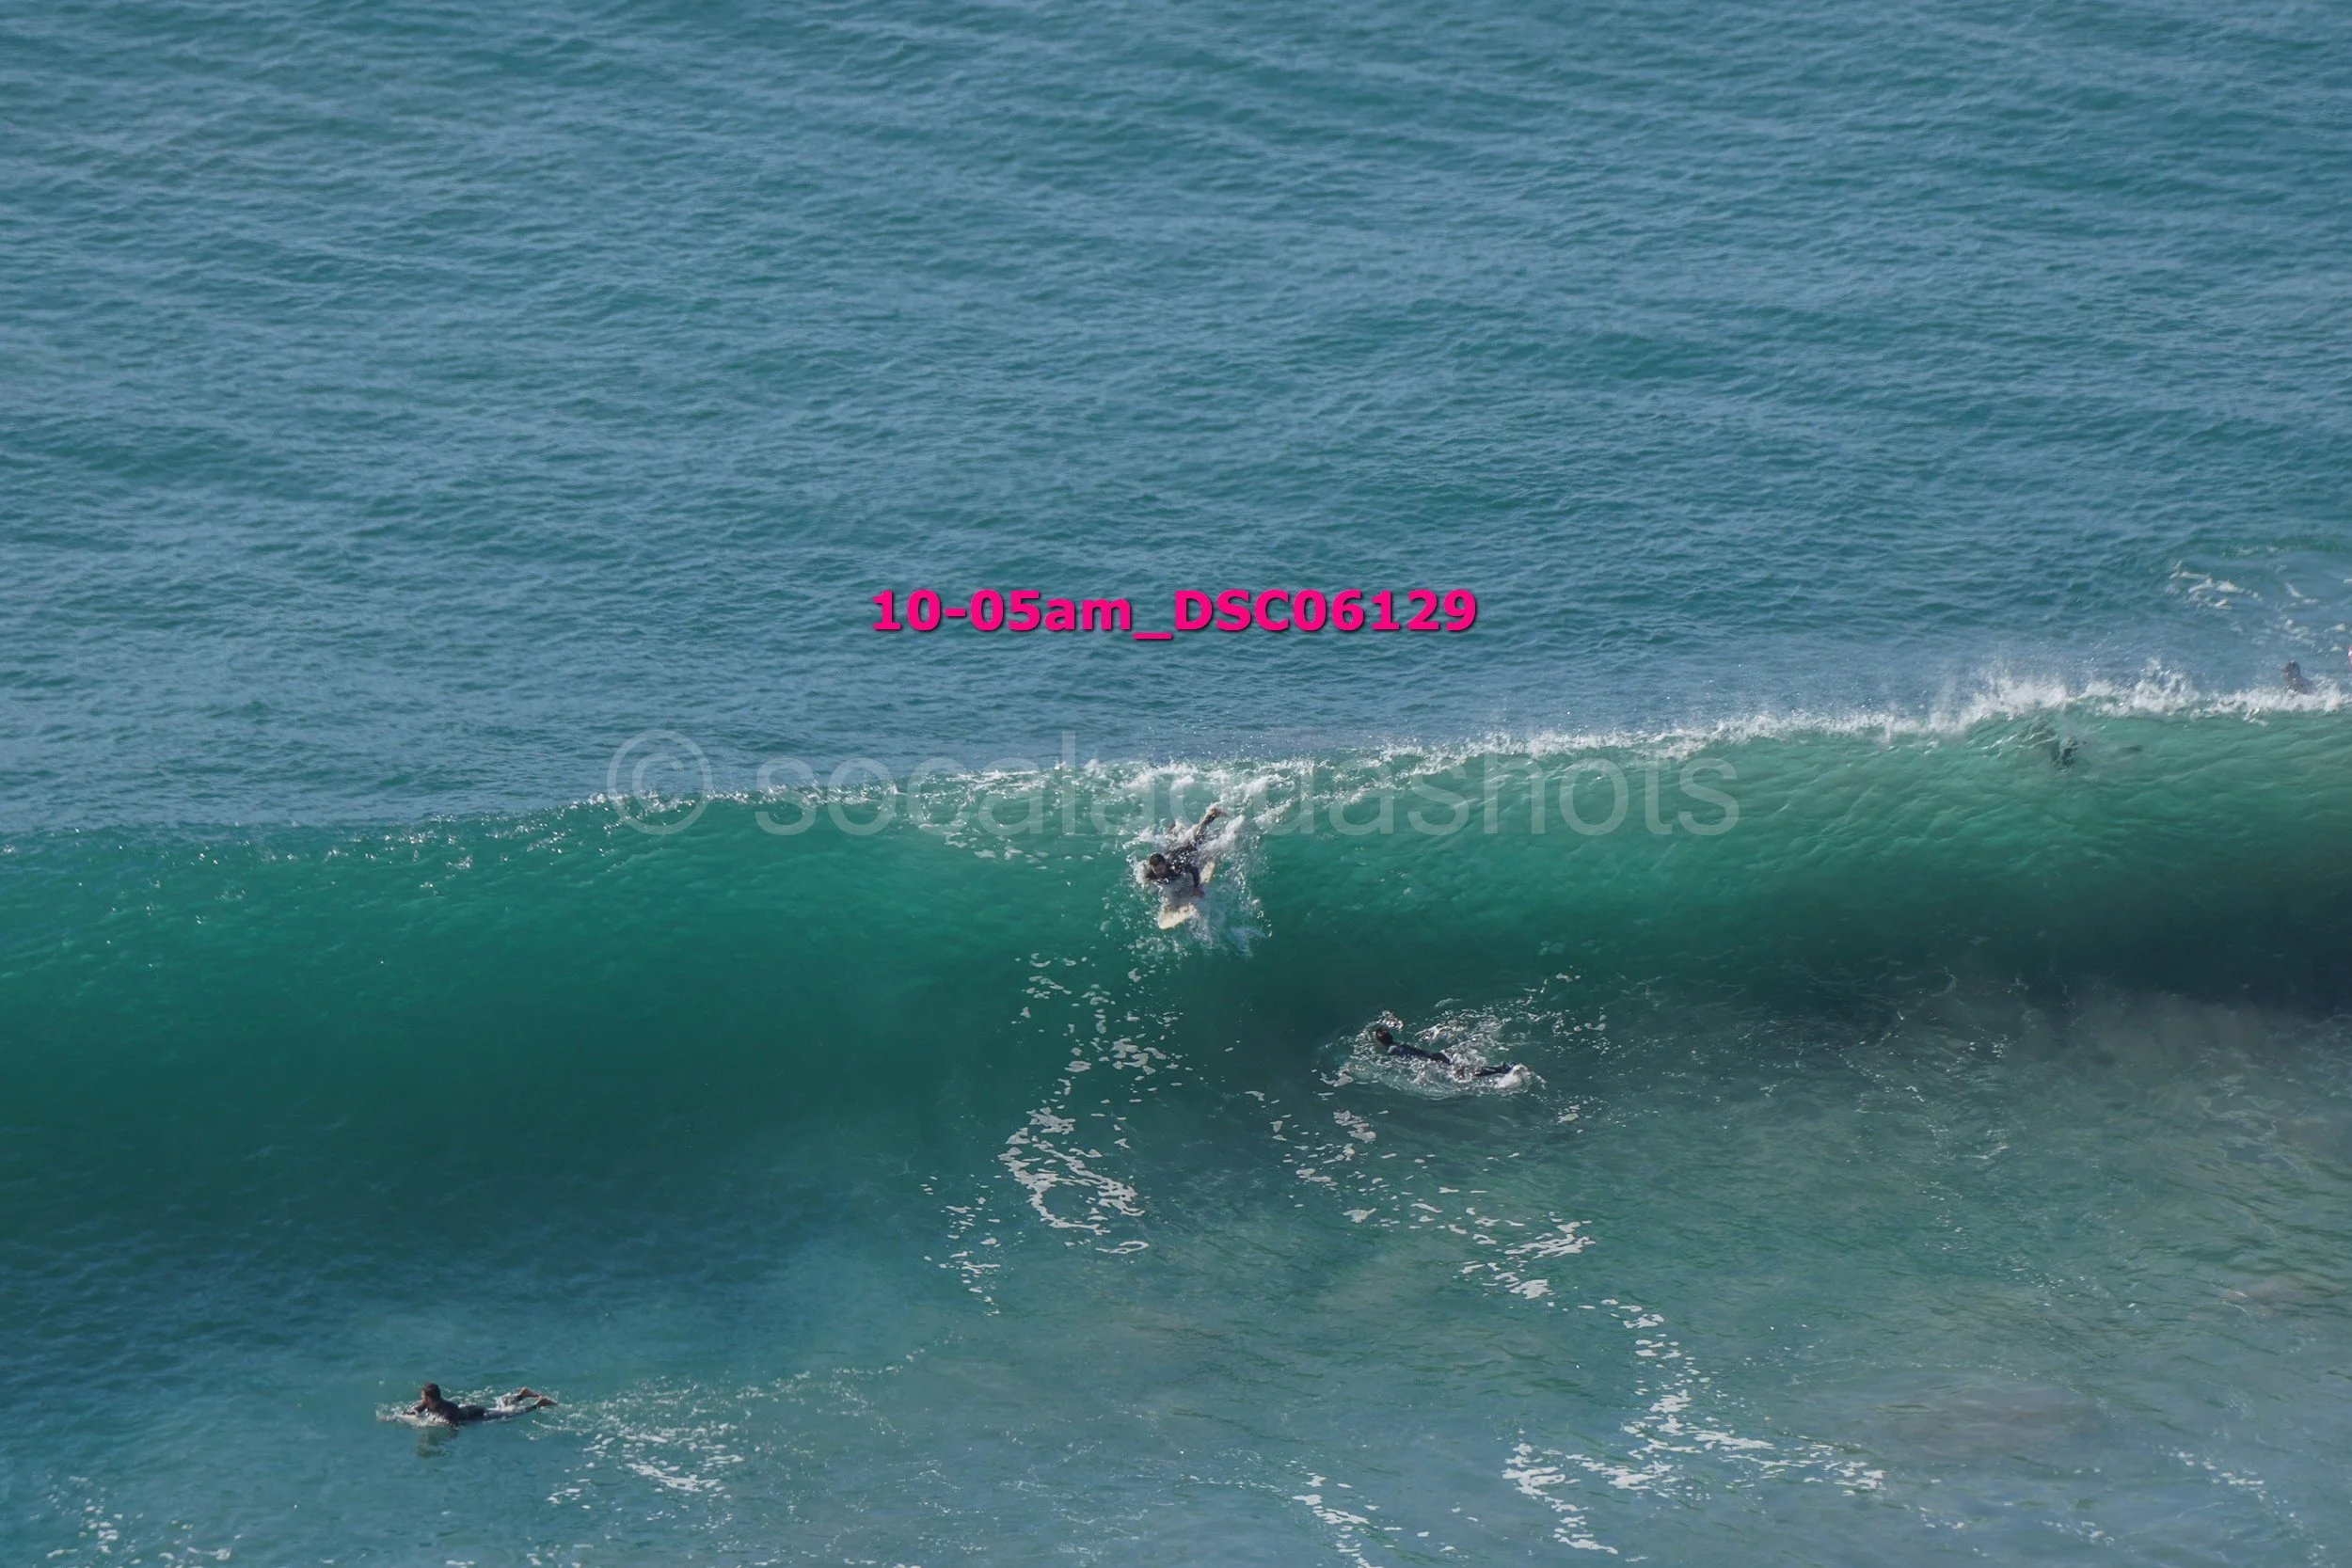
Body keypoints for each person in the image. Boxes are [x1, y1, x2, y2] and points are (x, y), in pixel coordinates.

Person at [1374, 1025, 1516, 1079]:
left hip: (1436, 1061)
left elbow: (1414, 1059)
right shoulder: (1398, 1044)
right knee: (1468, 1071)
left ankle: (1502, 1069)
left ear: (1380, 1042)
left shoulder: (1393, 1051)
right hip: (1438, 1056)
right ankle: (1502, 1069)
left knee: (1468, 1073)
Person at [1143, 805, 1222, 895]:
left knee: (1198, 838)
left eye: (1160, 869)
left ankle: (1212, 814)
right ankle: (1173, 828)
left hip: (1185, 851)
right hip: (1172, 851)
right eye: (1156, 870)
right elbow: (1146, 879)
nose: (1158, 872)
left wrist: (1196, 887)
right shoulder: (1151, 874)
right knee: (1173, 840)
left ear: (1165, 864)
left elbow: (1194, 870)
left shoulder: (1175, 866)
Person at [410, 1383, 556, 1426]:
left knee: (508, 1414)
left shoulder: (449, 1410)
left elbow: (453, 1427)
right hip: (468, 1410)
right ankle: (521, 1395)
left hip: (477, 1414)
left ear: (429, 1398)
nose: (421, 1399)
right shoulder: (428, 1404)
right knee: (501, 1408)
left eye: (423, 1396)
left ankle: (538, 1404)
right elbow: (414, 1411)